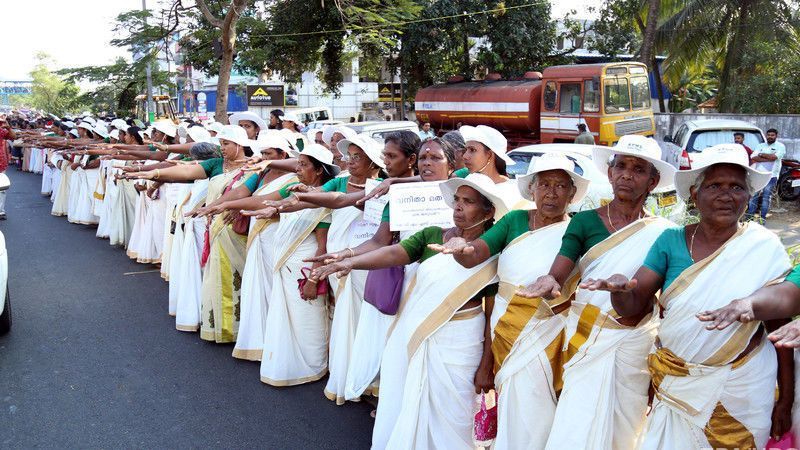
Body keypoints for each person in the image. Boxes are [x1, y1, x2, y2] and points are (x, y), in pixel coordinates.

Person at [585, 144, 793, 449]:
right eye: (715, 186)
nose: (726, 194)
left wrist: (785, 399)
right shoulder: (670, 241)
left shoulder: (762, 246)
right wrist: (619, 292)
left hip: (744, 387)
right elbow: (632, 305)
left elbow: (780, 329)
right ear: (695, 195)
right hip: (677, 383)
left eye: (736, 187)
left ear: (748, 197)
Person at [311, 173, 507, 449]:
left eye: (469, 202)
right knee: (410, 398)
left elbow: (492, 313)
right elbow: (393, 253)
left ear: (488, 211)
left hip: (462, 340)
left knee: (455, 411)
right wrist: (349, 261)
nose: (459, 207)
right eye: (457, 200)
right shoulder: (433, 234)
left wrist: (487, 364)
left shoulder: (492, 250)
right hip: (416, 332)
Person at [519, 134, 676, 449]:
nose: (627, 175)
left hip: (635, 344)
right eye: (621, 167)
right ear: (610, 173)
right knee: (576, 426)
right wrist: (551, 280)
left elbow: (666, 299)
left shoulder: (664, 233)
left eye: (638, 169)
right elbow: (561, 266)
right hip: (589, 337)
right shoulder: (586, 222)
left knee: (625, 428)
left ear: (653, 180)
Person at [428, 153, 590, 449]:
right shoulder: (515, 220)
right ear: (532, 190)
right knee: (511, 398)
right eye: (544, 185)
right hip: (504, 323)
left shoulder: (579, 229)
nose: (551, 194)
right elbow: (479, 251)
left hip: (549, 330)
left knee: (537, 405)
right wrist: (463, 247)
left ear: (572, 193)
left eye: (560, 186)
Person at [245, 146, 339, 386]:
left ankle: (315, 366)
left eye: (304, 165)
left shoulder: (324, 202)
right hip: (287, 267)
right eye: (298, 164)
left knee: (309, 321)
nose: (298, 169)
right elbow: (281, 210)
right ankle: (290, 364)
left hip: (304, 270)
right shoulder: (295, 194)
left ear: (319, 170)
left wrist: (312, 280)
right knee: (288, 318)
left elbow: (322, 247)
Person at [747, 128, 785, 222]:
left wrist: (761, 155)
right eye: (769, 135)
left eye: (772, 135)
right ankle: (750, 217)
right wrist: (768, 157)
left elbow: (774, 157)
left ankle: (762, 218)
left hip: (771, 176)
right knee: (753, 196)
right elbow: (753, 157)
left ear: (776, 136)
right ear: (766, 135)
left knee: (766, 197)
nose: (770, 137)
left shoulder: (780, 146)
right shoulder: (760, 145)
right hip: (758, 175)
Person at [0, 117, 16, 219]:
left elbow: (13, 136)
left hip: (0, 162)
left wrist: (9, 128)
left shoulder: (1, 131)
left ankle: (1, 211)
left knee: (2, 188)